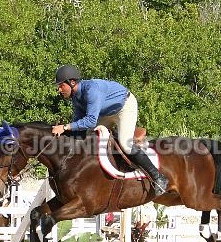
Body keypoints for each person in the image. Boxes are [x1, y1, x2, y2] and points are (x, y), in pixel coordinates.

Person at [51, 65, 168, 196]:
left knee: (126, 144)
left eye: (61, 85)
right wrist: (65, 131)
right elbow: (79, 122)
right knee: (90, 137)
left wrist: (65, 127)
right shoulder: (76, 97)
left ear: (72, 82)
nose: (59, 89)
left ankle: (158, 177)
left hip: (124, 106)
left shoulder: (91, 90)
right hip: (106, 113)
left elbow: (90, 121)